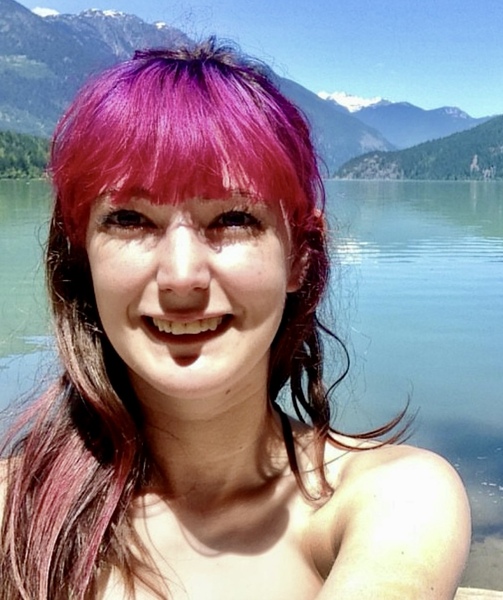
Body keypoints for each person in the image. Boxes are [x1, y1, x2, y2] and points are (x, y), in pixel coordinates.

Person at [0, 38, 470, 599]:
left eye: (232, 217)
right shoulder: (13, 511)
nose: (181, 275)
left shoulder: (391, 497)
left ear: (300, 258)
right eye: (129, 219)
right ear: (82, 258)